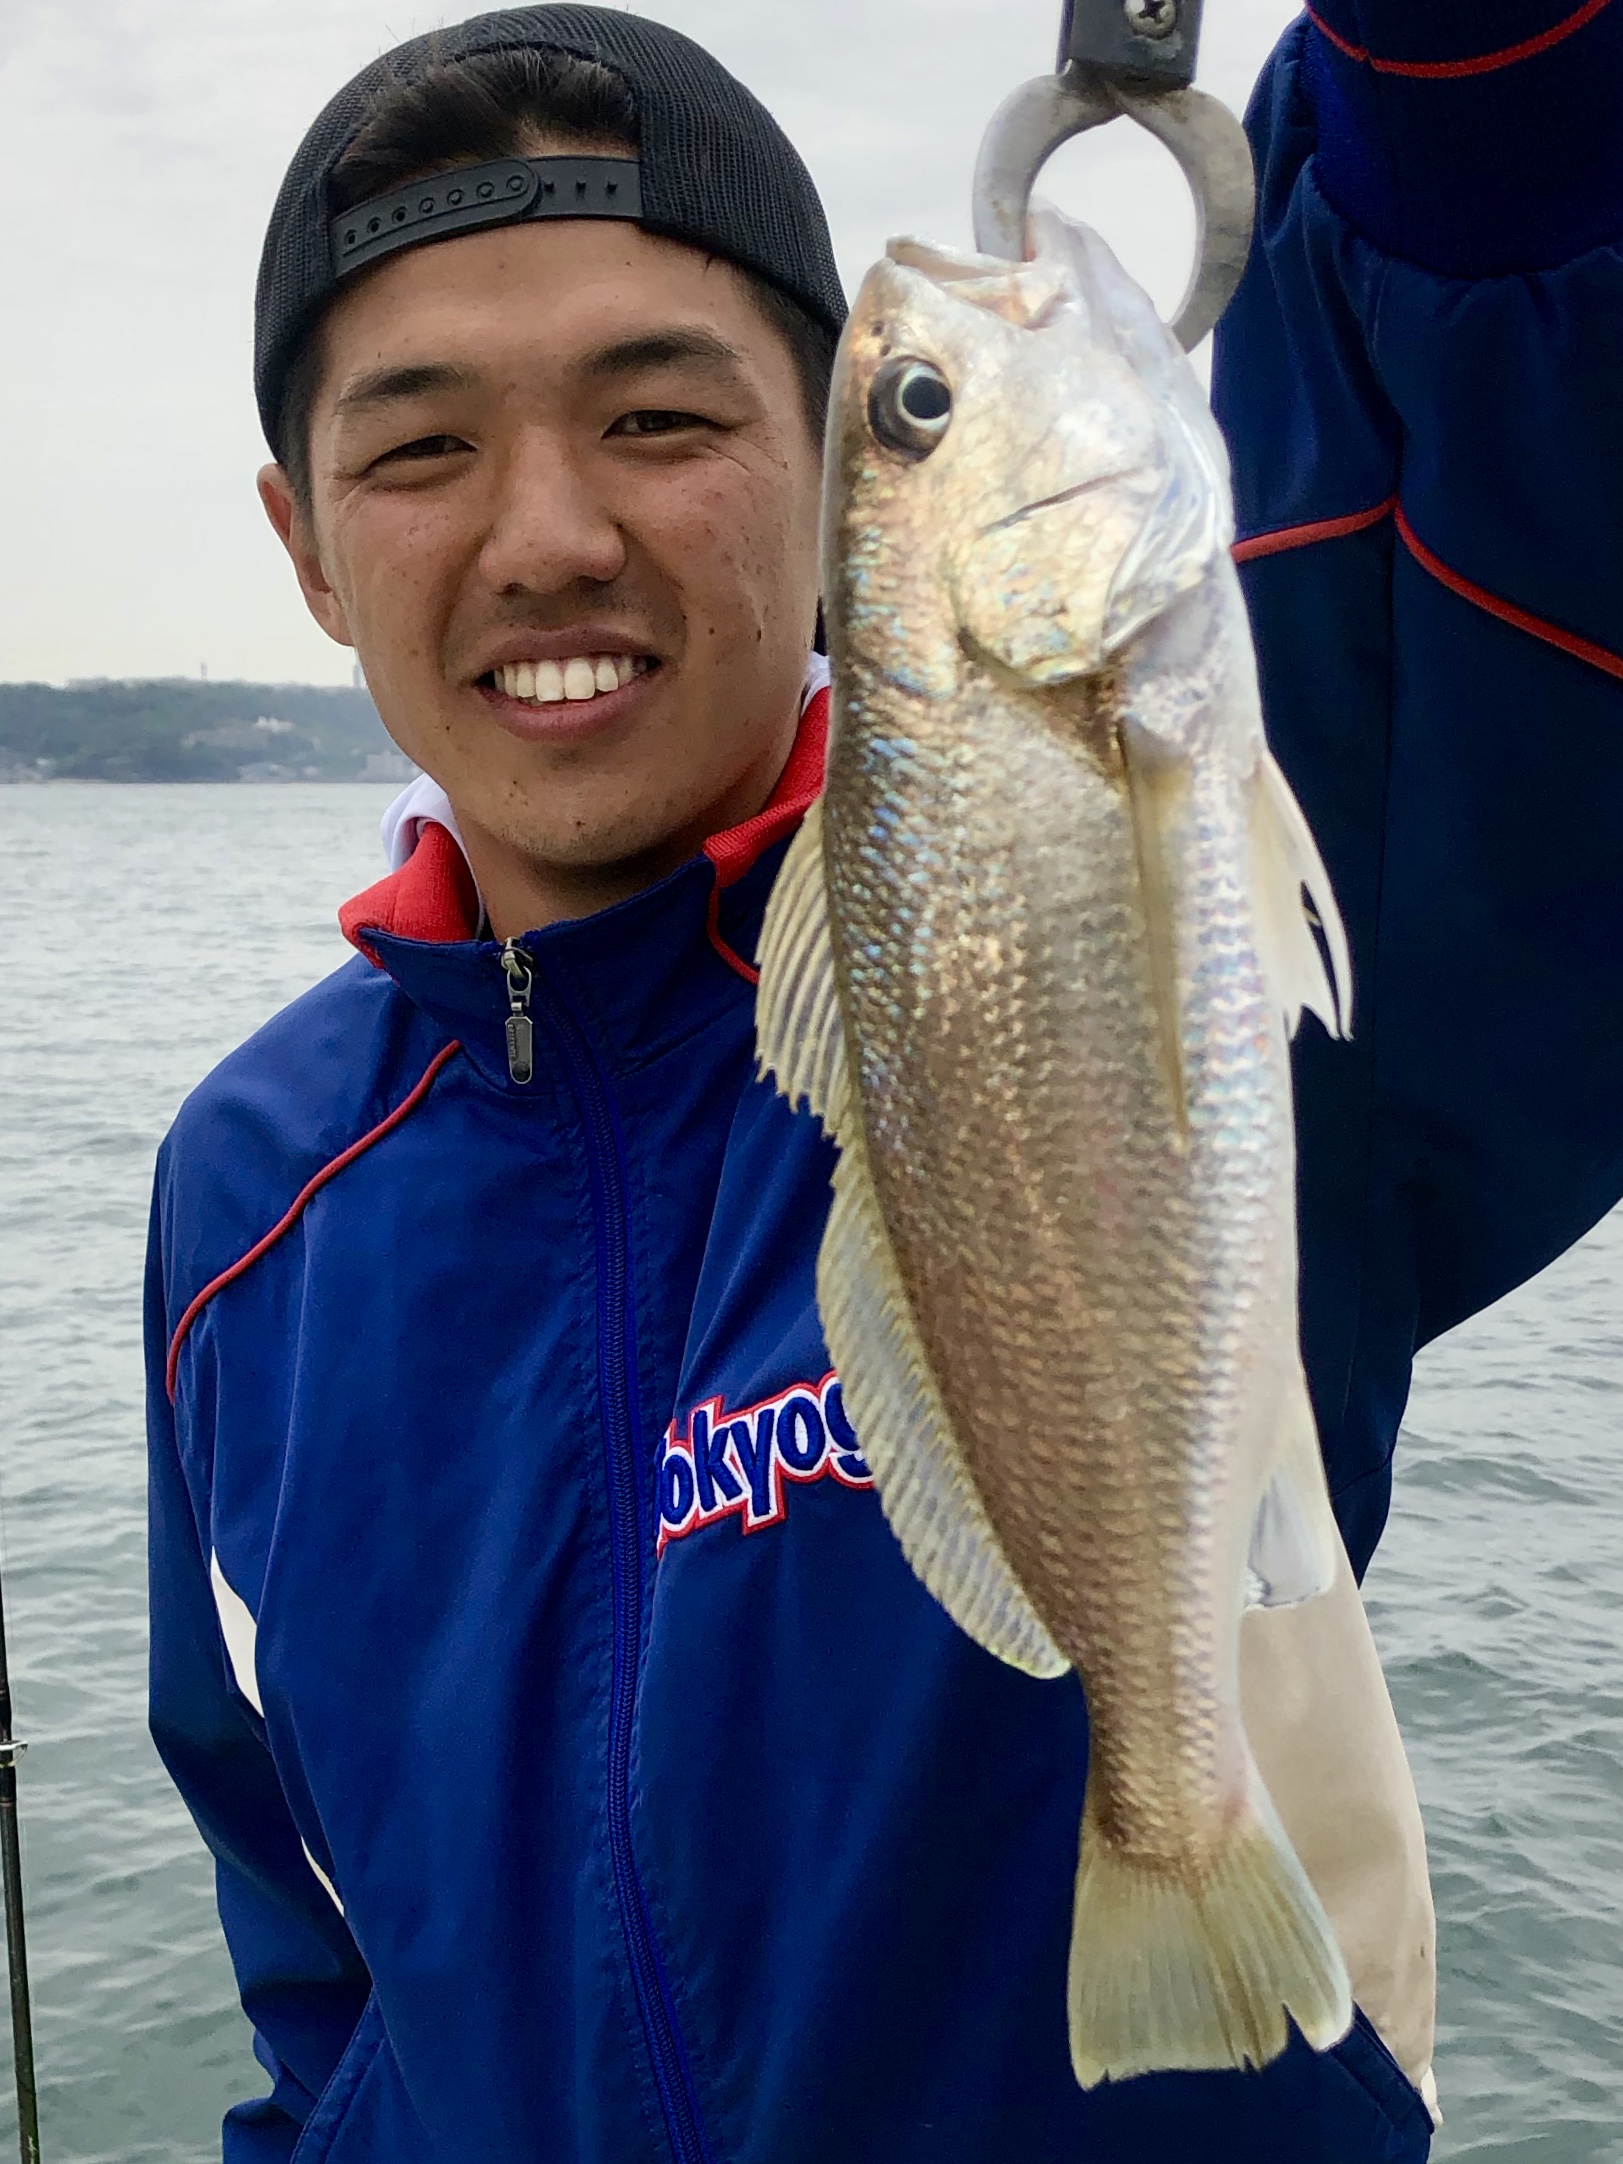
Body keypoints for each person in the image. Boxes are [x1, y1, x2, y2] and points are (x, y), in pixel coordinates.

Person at [143, 4, 1623, 2158]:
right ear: (305, 545)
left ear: (834, 499)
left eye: (659, 417)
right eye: (421, 449)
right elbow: (303, 1941)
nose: (546, 535)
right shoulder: (244, 1195)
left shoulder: (1213, 909)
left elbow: (1515, 338)